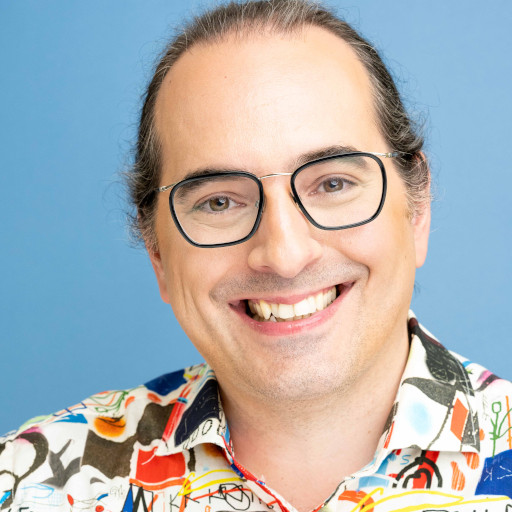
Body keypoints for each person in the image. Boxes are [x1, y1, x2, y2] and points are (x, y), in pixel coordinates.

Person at [1, 1, 511, 511]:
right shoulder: (25, 487)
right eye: (219, 202)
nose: (285, 255)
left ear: (417, 208)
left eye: (333, 184)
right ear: (157, 251)